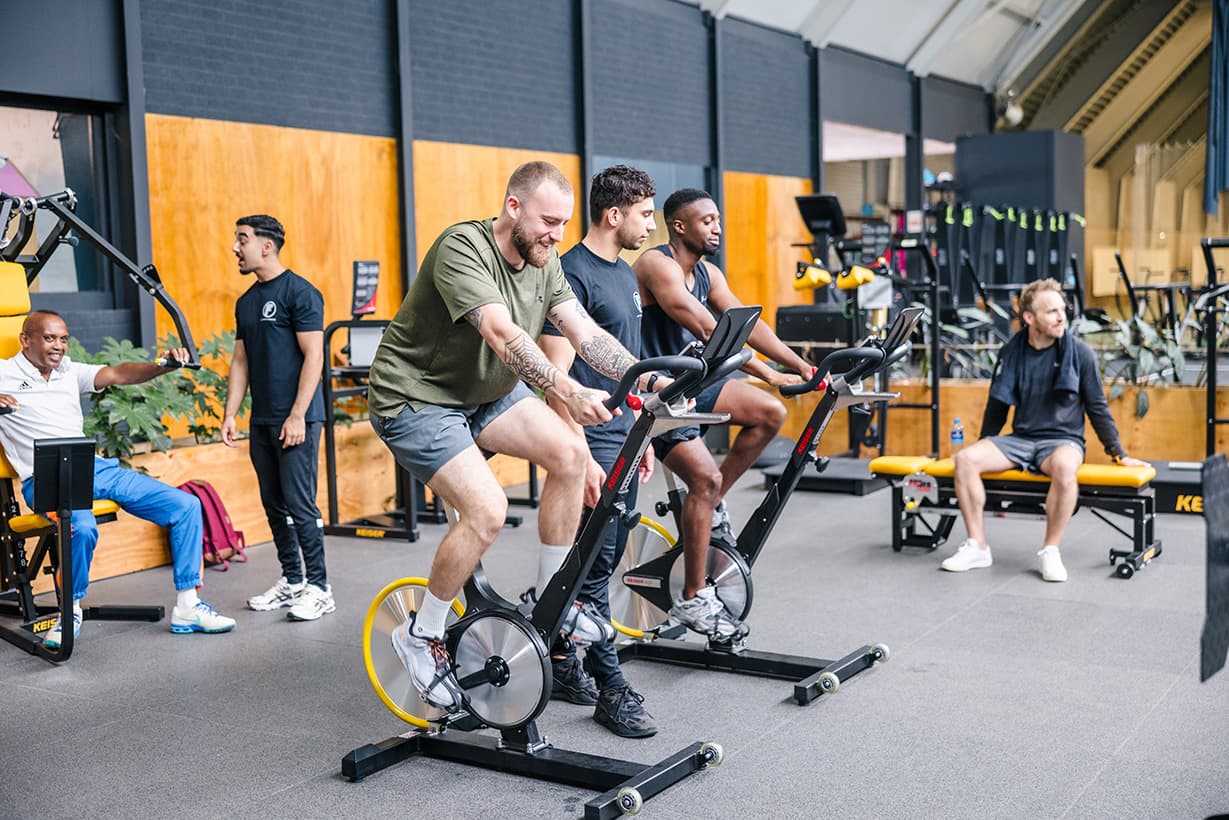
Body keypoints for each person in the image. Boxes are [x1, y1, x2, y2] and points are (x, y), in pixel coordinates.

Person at [366, 161, 657, 712]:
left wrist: (646, 378)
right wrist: (569, 393)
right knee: (487, 511)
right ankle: (421, 633)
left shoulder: (545, 262)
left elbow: (585, 332)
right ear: (513, 207)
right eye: (549, 220)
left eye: (565, 224)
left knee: (572, 454)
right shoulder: (463, 248)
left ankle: (555, 599)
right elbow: (502, 335)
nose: (557, 234)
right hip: (417, 397)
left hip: (484, 393)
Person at [633, 188, 812, 638]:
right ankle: (693, 596)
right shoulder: (658, 265)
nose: (717, 227)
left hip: (696, 383)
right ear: (679, 226)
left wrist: (800, 365)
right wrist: (770, 374)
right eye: (707, 220)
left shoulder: (708, 272)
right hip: (659, 394)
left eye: (717, 219)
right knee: (704, 478)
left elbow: (748, 324)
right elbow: (711, 329)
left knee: (768, 414)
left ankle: (712, 505)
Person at [0, 311, 236, 647]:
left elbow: (118, 373)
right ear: (26, 340)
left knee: (185, 505)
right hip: (46, 478)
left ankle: (188, 606)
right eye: (49, 338)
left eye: (63, 339)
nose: (59, 347)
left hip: (95, 468)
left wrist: (162, 365)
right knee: (79, 527)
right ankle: (71, 611)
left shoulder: (69, 371)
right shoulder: (4, 372)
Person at [539, 165, 659, 738]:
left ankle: (562, 659)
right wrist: (580, 453)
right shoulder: (571, 274)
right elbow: (554, 376)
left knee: (603, 560)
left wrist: (644, 432)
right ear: (614, 214)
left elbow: (627, 367)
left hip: (625, 435)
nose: (651, 225)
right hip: (591, 442)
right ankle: (610, 686)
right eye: (644, 214)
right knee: (591, 567)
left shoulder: (628, 274)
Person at [940, 278, 1147, 581]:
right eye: (1051, 311)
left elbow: (1098, 407)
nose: (1061, 316)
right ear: (1029, 318)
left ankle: (1050, 550)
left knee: (1065, 468)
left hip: (1063, 441)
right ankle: (978, 546)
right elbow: (997, 405)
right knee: (967, 460)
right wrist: (986, 443)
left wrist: (1119, 454)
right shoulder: (1013, 352)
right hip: (1021, 439)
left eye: (1062, 309)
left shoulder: (1080, 354)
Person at [221, 215, 331, 620]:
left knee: (300, 505)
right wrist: (231, 413)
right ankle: (293, 580)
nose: (236, 247)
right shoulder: (245, 302)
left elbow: (314, 355)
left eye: (242, 239)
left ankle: (320, 587)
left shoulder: (301, 293)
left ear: (267, 246)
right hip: (262, 420)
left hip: (297, 419)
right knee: (273, 504)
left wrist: (298, 415)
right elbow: (240, 362)